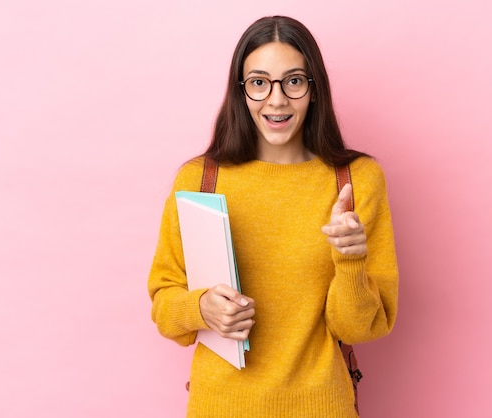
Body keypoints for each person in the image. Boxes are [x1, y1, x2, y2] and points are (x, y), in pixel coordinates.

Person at [148, 15, 398, 418]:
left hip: (322, 407)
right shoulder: (199, 179)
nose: (276, 100)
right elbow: (164, 305)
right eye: (259, 82)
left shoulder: (356, 181)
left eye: (294, 81)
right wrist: (201, 308)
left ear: (314, 89)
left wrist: (350, 259)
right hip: (220, 407)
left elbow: (359, 330)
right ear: (241, 91)